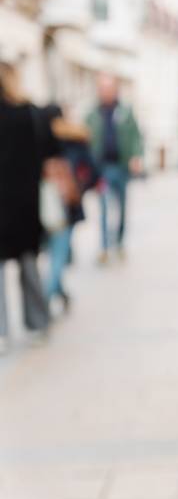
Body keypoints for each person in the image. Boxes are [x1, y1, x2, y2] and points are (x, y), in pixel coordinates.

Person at [0, 62, 54, 351]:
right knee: (29, 266)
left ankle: (1, 331)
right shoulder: (31, 114)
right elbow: (50, 150)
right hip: (25, 202)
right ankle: (37, 322)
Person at [85, 73, 144, 264]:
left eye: (109, 88)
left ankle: (118, 243)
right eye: (102, 88)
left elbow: (137, 137)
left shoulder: (125, 111)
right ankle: (103, 247)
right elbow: (85, 140)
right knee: (103, 208)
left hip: (121, 167)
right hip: (102, 169)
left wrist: (136, 157)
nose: (105, 92)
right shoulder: (92, 114)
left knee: (122, 208)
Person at [45, 107, 99, 312]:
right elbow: (93, 171)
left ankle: (47, 299)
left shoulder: (42, 141)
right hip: (66, 207)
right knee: (58, 257)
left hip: (47, 207)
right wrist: (80, 188)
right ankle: (53, 295)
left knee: (55, 257)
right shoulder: (77, 140)